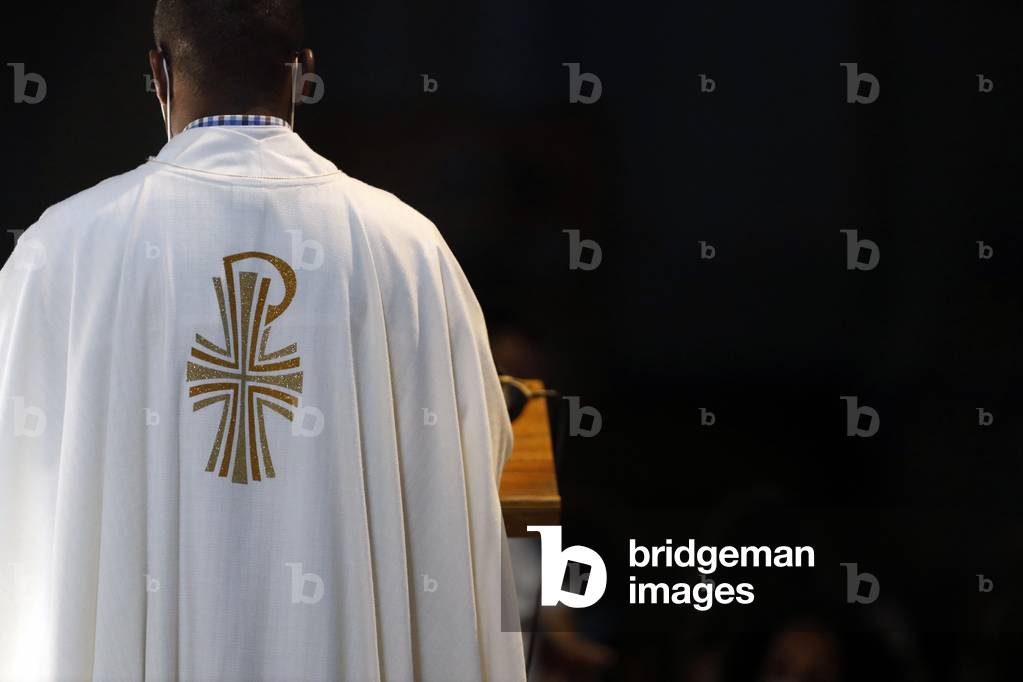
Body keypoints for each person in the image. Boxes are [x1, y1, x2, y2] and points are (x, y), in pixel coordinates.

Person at [0, 1, 526, 680]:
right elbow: (474, 447)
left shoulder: (63, 248)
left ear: (158, 75)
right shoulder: (406, 248)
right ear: (302, 74)